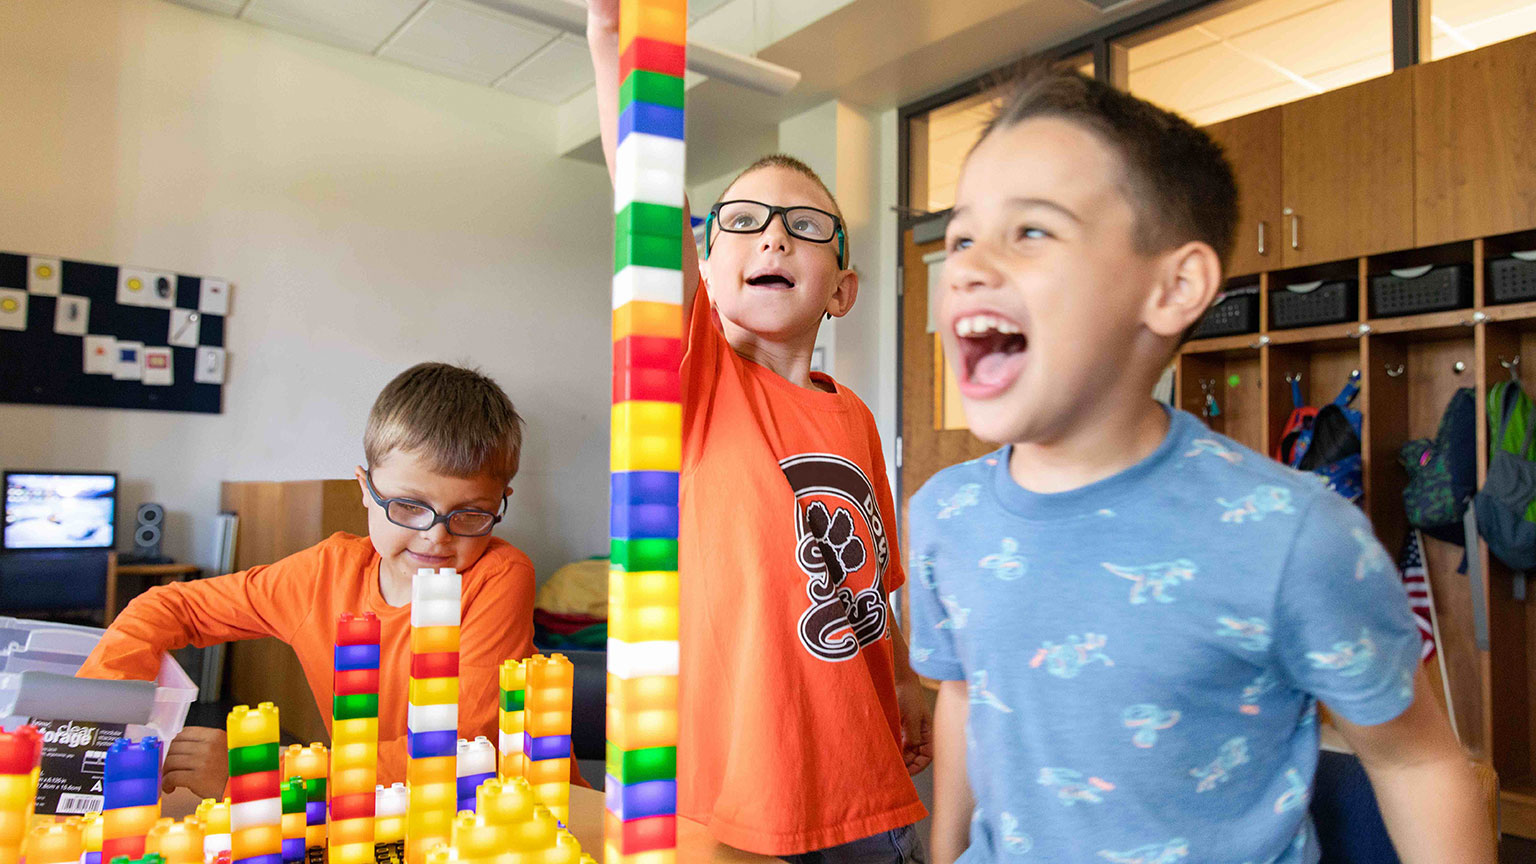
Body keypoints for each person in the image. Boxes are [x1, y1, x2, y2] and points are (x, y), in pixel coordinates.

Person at [907, 64, 1494, 863]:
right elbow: (966, 697)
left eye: (1032, 231)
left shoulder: (1294, 535)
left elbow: (1419, 761)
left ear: (1175, 286)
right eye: (964, 236)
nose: (969, 266)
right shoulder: (946, 515)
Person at [586, 3, 931, 860]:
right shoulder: (695, 381)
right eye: (741, 220)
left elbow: (870, 582)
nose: (773, 232)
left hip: (867, 782)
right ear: (705, 270)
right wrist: (610, 44)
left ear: (842, 289)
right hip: (738, 795)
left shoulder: (852, 414)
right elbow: (647, 197)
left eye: (805, 225)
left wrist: (908, 680)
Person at [80, 362, 540, 798]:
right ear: (365, 487)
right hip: (370, 815)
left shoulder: (498, 578)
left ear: (501, 502)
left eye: (472, 513)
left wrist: (258, 774)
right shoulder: (325, 574)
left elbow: (458, 756)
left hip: (512, 815)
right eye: (408, 506)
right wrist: (97, 717)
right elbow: (169, 607)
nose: (435, 535)